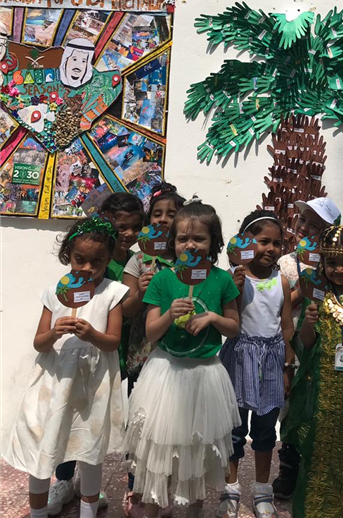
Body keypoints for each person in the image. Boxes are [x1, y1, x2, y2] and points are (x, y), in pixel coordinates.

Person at [5, 216, 128, 518]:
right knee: (42, 445)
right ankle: (38, 512)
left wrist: (93, 335)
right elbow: (40, 343)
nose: (87, 268)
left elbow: (113, 341)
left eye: (97, 262)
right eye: (79, 259)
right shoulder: (54, 293)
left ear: (108, 260)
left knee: (89, 449)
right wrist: (54, 332)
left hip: (92, 388)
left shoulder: (112, 293)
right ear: (68, 256)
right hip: (53, 385)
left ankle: (88, 511)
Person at [125, 200, 241, 518]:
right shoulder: (163, 280)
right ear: (172, 242)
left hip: (205, 375)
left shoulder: (222, 280)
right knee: (158, 453)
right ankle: (151, 510)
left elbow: (233, 328)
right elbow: (151, 332)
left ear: (214, 243)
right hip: (166, 373)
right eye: (182, 239)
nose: (190, 245)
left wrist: (212, 317)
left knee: (196, 453)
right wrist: (169, 314)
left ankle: (193, 511)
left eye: (199, 238)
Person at [47, 192, 144, 515]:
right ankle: (64, 480)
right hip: (84, 354)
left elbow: (129, 312)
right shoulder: (94, 259)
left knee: (102, 422)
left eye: (135, 227)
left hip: (124, 350)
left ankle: (103, 486)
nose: (128, 234)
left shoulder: (140, 261)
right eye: (120, 226)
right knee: (71, 415)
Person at [282, 225, 343, 518]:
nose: (339, 269)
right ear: (323, 263)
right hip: (319, 389)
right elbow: (305, 343)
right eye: (332, 262)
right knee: (317, 449)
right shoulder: (316, 294)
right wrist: (308, 322)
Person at [218, 211, 295, 518]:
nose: (271, 249)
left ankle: (262, 490)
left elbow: (286, 325)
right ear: (246, 243)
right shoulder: (231, 279)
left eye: (277, 243)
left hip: (271, 363)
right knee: (234, 429)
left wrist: (288, 366)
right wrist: (235, 288)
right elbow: (229, 318)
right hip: (238, 358)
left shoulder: (282, 282)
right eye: (264, 241)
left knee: (265, 431)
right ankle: (230, 488)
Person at [121, 182, 186, 518]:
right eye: (157, 214)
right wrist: (140, 291)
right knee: (140, 424)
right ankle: (136, 487)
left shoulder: (187, 260)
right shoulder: (138, 260)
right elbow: (127, 310)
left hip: (176, 355)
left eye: (171, 214)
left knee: (169, 425)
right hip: (142, 353)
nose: (163, 219)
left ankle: (164, 489)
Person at [273, 196, 341, 500]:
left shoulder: (336, 266)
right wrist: (302, 286)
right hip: (292, 346)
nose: (304, 228)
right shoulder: (286, 263)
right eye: (303, 220)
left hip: (325, 347)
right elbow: (278, 306)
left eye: (315, 226)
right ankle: (288, 468)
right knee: (290, 408)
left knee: (320, 407)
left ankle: (317, 472)